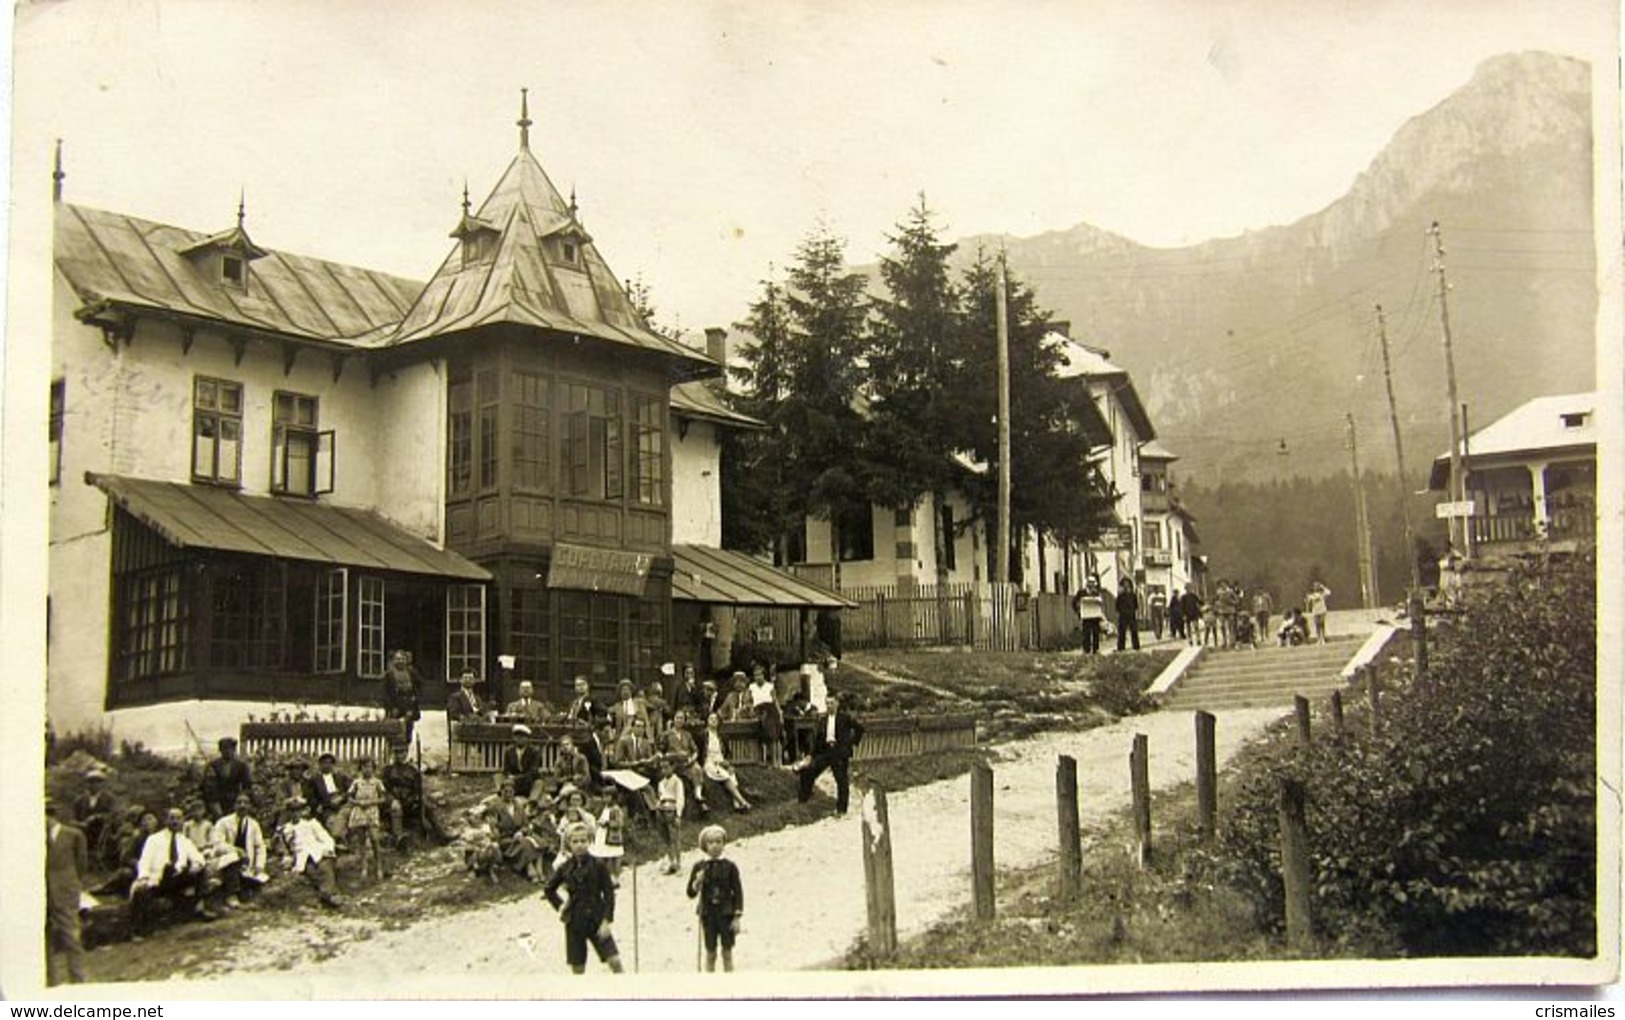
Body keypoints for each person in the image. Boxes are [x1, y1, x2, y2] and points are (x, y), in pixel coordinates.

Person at [544, 822, 625, 975]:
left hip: (597, 919)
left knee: (614, 961)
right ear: (568, 843)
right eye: (575, 841)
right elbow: (549, 889)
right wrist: (560, 906)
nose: (580, 845)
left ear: (589, 841)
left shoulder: (598, 865)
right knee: (578, 968)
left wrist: (606, 920)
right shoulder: (565, 867)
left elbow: (608, 894)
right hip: (574, 922)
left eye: (583, 840)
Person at [129, 807, 219, 939]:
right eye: (172, 818)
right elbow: (145, 860)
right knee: (141, 891)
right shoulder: (154, 839)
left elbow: (198, 857)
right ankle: (140, 930)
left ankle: (200, 907)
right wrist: (143, 877)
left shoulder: (184, 841)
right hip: (159, 879)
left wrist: (196, 864)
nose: (175, 822)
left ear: (183, 821)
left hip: (176, 880)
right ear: (166, 821)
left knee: (201, 869)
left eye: (178, 818)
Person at [687, 824, 744, 973]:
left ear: (723, 843)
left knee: (727, 951)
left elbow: (737, 892)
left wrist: (737, 917)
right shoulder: (699, 866)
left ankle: (729, 981)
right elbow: (690, 893)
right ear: (705, 845)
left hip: (726, 913)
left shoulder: (730, 866)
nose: (715, 846)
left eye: (718, 842)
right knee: (710, 951)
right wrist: (697, 883)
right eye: (711, 842)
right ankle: (710, 983)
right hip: (708, 914)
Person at [796, 693, 864, 815]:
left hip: (839, 752)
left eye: (832, 703)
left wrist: (851, 743)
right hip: (826, 751)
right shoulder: (823, 720)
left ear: (837, 704)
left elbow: (859, 729)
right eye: (827, 703)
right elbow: (818, 739)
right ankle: (803, 801)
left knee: (841, 780)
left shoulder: (845, 718)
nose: (829, 706)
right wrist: (811, 755)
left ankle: (841, 809)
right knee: (809, 771)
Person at [45, 800, 89, 985]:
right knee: (42, 939)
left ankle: (78, 980)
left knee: (71, 936)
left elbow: (81, 865)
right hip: (40, 893)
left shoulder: (74, 835)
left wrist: (71, 885)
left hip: (65, 891)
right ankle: (49, 981)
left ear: (51, 816)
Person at [381, 741, 453, 847]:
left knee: (427, 804)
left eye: (402, 752)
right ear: (393, 754)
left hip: (408, 801)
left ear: (406, 753)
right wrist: (392, 800)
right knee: (396, 808)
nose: (399, 755)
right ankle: (399, 837)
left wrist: (416, 798)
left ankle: (442, 835)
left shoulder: (413, 771)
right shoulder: (387, 770)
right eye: (396, 753)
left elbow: (417, 790)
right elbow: (383, 790)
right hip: (392, 803)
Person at [280, 797, 343, 908]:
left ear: (302, 811)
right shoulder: (286, 829)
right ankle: (326, 895)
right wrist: (287, 857)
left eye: (298, 810)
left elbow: (326, 838)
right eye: (292, 811)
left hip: (318, 851)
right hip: (303, 857)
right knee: (311, 872)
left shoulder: (311, 823)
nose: (295, 814)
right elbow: (285, 846)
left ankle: (330, 894)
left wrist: (328, 849)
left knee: (325, 867)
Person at [210, 794, 268, 905]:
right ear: (234, 805)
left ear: (250, 806)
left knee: (257, 879)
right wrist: (236, 850)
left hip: (246, 864)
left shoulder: (254, 824)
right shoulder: (223, 822)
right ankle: (232, 895)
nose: (242, 806)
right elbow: (217, 844)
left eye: (246, 803)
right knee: (233, 858)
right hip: (226, 863)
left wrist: (259, 865)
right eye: (239, 802)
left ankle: (245, 891)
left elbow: (260, 847)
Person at [658, 708, 709, 817]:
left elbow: (695, 750)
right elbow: (660, 752)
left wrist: (693, 759)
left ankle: (698, 795)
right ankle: (699, 801)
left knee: (697, 769)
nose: (679, 721)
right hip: (674, 764)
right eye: (677, 718)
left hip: (687, 763)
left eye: (682, 719)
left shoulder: (687, 735)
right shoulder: (666, 734)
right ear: (673, 720)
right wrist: (667, 758)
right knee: (688, 771)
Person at [347, 757, 388, 881]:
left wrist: (371, 802)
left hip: (372, 812)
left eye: (370, 767)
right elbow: (349, 797)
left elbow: (383, 798)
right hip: (359, 812)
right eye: (365, 767)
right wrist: (358, 802)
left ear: (373, 769)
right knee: (361, 841)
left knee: (374, 839)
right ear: (361, 769)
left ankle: (379, 866)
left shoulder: (377, 782)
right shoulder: (356, 782)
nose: (367, 769)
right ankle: (364, 867)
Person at [702, 712, 753, 812]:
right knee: (725, 777)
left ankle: (737, 805)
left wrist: (726, 763)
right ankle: (743, 802)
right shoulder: (703, 736)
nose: (713, 721)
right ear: (707, 721)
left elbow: (727, 753)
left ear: (718, 722)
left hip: (721, 762)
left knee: (732, 776)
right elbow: (700, 752)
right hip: (709, 762)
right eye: (711, 719)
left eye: (715, 719)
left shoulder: (721, 736)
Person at [73, 767, 120, 870]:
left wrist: (96, 817)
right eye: (91, 782)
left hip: (102, 828)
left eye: (97, 782)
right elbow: (75, 816)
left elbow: (113, 814)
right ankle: (82, 860)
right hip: (83, 828)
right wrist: (79, 823)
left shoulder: (109, 799)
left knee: (103, 833)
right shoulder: (80, 800)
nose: (93, 785)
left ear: (102, 784)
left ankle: (99, 860)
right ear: (87, 784)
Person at [201, 737, 252, 820]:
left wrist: (240, 801)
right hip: (217, 802)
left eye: (230, 749)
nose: (227, 751)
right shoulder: (213, 766)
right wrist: (216, 807)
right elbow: (209, 787)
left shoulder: (241, 766)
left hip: (235, 801)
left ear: (234, 750)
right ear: (220, 750)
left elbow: (247, 785)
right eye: (224, 749)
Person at [381, 650, 424, 742]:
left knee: (408, 732)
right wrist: (391, 707)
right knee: (392, 731)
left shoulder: (412, 673)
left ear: (406, 660)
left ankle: (404, 753)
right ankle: (392, 752)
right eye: (397, 659)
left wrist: (415, 698)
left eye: (402, 659)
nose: (400, 661)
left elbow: (420, 685)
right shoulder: (389, 674)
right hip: (395, 706)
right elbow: (385, 693)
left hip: (408, 706)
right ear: (394, 661)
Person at [308, 752, 350, 843]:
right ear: (320, 765)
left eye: (330, 763)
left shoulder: (341, 777)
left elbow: (351, 790)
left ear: (333, 765)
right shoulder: (314, 780)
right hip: (326, 807)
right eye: (324, 763)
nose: (327, 765)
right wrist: (318, 805)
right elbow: (311, 796)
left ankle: (343, 839)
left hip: (342, 805)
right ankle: (339, 839)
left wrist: (341, 797)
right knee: (332, 820)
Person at [654, 756, 685, 875]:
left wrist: (678, 815)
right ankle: (671, 861)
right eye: (662, 768)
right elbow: (660, 796)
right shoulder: (661, 783)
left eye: (666, 767)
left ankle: (678, 862)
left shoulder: (677, 781)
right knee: (665, 838)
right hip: (662, 809)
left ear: (673, 767)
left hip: (672, 810)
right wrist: (657, 806)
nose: (664, 770)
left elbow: (680, 798)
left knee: (675, 838)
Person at [748, 666, 785, 766]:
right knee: (760, 736)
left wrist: (780, 713)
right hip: (758, 711)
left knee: (774, 736)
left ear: (764, 675)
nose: (757, 677)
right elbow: (750, 701)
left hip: (770, 710)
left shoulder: (770, 686)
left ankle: (776, 761)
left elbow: (775, 700)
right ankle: (762, 760)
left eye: (759, 675)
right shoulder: (751, 687)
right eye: (755, 675)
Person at [502, 724, 545, 800]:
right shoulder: (509, 751)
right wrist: (509, 776)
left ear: (527, 738)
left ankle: (531, 803)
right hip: (513, 782)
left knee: (539, 783)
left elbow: (533, 771)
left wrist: (516, 778)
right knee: (498, 777)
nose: (519, 739)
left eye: (522, 737)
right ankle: (505, 798)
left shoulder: (534, 751)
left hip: (529, 781)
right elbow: (506, 769)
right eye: (517, 737)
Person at [1074, 575, 1107, 655]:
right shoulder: (1081, 592)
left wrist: (1100, 611)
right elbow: (1074, 602)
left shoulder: (1096, 593)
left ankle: (1096, 649)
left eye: (1093, 583)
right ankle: (1086, 649)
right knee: (1086, 633)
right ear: (1087, 583)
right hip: (1086, 616)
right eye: (1090, 583)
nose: (1091, 585)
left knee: (1096, 632)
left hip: (1095, 616)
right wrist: (1078, 611)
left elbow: (1101, 604)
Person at [1115, 577, 1142, 652]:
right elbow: (1117, 606)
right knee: (1122, 631)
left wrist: (1133, 611)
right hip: (1123, 615)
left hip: (1131, 615)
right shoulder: (1120, 596)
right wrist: (1121, 612)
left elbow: (1136, 605)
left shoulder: (1133, 595)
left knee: (1134, 630)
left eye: (1127, 584)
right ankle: (1121, 647)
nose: (1126, 586)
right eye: (1124, 584)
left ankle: (1136, 646)